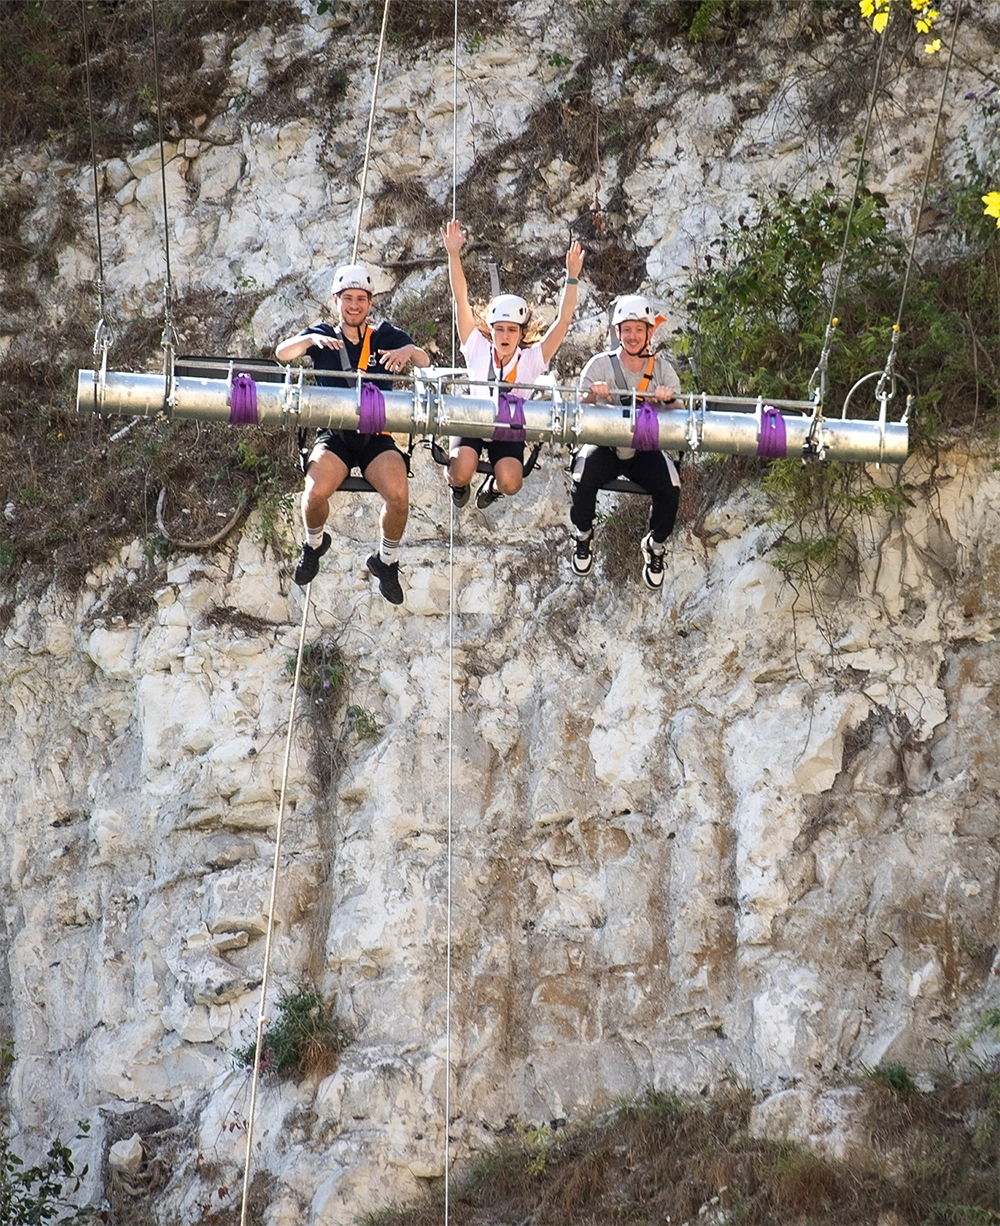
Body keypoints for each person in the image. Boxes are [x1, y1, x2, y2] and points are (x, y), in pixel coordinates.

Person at [275, 264, 430, 602]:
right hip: (336, 434)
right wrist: (308, 340)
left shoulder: (385, 335)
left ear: (370, 303)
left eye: (361, 299)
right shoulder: (323, 336)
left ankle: (386, 560)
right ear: (337, 301)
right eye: (348, 299)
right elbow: (282, 354)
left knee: (399, 496)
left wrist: (407, 351)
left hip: (376, 435)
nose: (355, 306)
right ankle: (314, 543)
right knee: (314, 494)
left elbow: (424, 360)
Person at [440, 218, 585, 509]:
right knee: (461, 469)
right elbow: (460, 298)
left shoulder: (532, 359)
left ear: (521, 333)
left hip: (509, 427)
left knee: (511, 482)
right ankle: (458, 484)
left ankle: (491, 487)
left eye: (512, 330)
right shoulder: (477, 347)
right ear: (490, 330)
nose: (505, 336)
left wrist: (572, 278)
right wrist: (454, 254)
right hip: (475, 418)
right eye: (500, 329)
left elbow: (563, 322)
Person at [570, 295, 683, 590]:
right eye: (627, 329)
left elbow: (680, 413)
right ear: (618, 332)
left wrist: (667, 399)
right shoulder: (600, 366)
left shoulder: (662, 370)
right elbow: (578, 406)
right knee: (583, 475)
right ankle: (583, 534)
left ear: (648, 332)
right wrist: (594, 395)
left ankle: (655, 545)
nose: (632, 336)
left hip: (643, 448)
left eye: (638, 329)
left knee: (671, 486)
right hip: (606, 444)